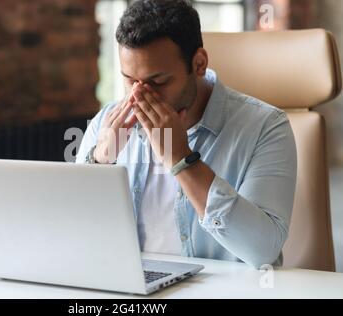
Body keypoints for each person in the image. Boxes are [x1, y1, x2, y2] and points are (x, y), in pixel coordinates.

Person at [76, 0, 297, 269]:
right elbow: (77, 235)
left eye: (157, 82)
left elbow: (262, 251)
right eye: (130, 80)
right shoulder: (107, 122)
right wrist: (99, 162)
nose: (139, 95)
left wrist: (181, 159)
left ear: (199, 64)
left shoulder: (265, 127)